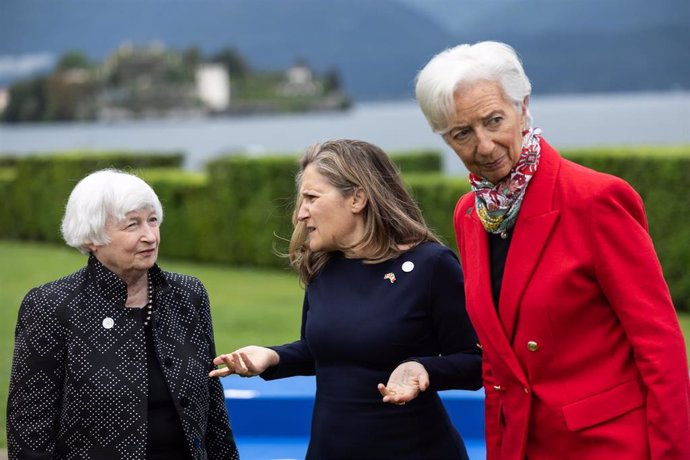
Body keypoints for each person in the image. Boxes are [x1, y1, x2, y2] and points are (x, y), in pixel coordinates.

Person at [414, 40, 690, 459]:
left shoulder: (596, 199)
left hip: (611, 447)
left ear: (523, 108)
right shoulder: (469, 214)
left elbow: (660, 348)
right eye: (462, 133)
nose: (484, 146)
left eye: (494, 121)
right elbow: (497, 364)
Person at [209, 139, 483, 459]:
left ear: (357, 198)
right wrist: (271, 357)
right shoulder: (324, 265)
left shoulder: (431, 265)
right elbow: (325, 351)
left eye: (311, 198)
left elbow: (475, 363)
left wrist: (422, 369)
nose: (300, 214)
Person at [7, 169, 239, 460]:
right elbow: (30, 428)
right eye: (132, 225)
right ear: (92, 237)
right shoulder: (52, 305)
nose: (149, 236)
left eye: (153, 221)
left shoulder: (187, 294)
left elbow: (213, 408)